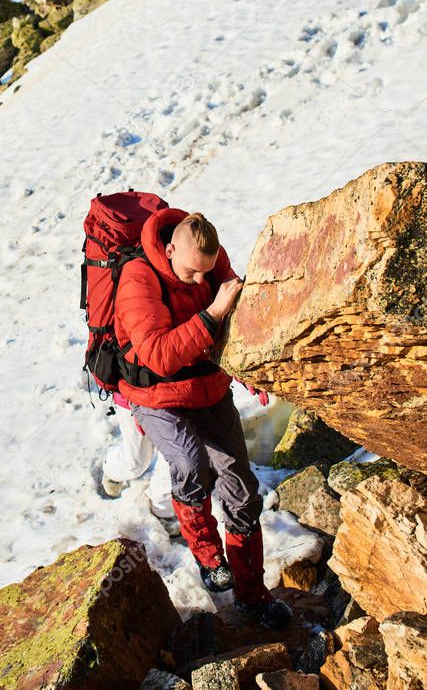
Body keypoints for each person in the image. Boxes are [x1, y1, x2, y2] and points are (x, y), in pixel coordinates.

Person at [113, 207, 292, 629]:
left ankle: (252, 593)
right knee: (191, 464)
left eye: (206, 273)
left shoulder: (211, 266)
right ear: (170, 248)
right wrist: (211, 312)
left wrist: (251, 370)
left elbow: (235, 327)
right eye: (192, 273)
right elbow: (157, 356)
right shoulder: (138, 279)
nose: (199, 281)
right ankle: (210, 559)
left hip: (208, 389)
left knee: (242, 489)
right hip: (156, 396)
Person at [101, 390, 179, 535]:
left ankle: (163, 510)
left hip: (174, 396)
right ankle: (112, 467)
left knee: (172, 458)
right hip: (132, 392)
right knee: (136, 462)